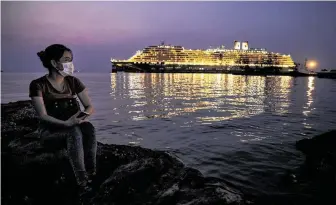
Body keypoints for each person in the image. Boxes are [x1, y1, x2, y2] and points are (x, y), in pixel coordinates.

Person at [29, 44, 97, 196]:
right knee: (73, 132)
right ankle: (82, 181)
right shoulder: (38, 84)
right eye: (66, 60)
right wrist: (66, 124)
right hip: (50, 132)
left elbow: (89, 106)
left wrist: (81, 117)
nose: (70, 64)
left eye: (71, 60)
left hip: (72, 124)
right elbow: (43, 116)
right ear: (54, 63)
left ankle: (92, 172)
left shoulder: (73, 82)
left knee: (89, 128)